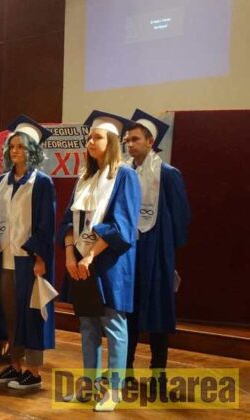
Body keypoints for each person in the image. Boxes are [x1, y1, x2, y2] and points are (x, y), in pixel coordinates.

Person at [58, 110, 141, 411]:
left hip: (110, 263)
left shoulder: (125, 176)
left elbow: (123, 226)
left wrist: (91, 254)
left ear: (112, 142)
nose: (90, 142)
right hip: (81, 260)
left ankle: (114, 390)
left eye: (97, 138)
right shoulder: (85, 178)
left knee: (114, 324)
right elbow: (68, 222)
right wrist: (70, 254)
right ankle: (88, 387)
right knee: (87, 325)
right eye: (89, 137)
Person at [0, 115, 57, 390]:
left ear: (32, 150)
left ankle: (33, 373)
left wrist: (41, 258)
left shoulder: (42, 182)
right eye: (12, 147)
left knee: (31, 315)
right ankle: (15, 365)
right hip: (5, 258)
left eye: (21, 147)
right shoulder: (1, 181)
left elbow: (46, 223)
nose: (15, 151)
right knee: (9, 314)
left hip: (28, 260)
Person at [124, 109, 190, 394]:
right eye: (127, 140)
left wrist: (165, 251)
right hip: (129, 253)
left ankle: (158, 373)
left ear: (150, 141)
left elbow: (181, 217)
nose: (130, 144)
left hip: (157, 254)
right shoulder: (124, 173)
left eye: (135, 139)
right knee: (128, 312)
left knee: (158, 314)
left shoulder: (168, 174)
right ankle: (125, 369)